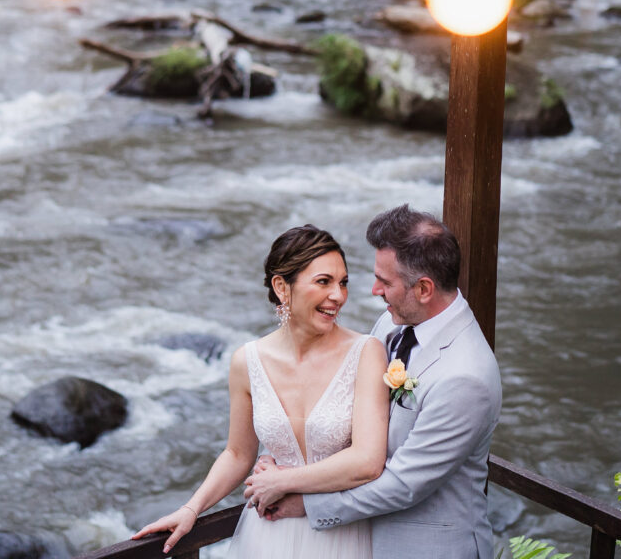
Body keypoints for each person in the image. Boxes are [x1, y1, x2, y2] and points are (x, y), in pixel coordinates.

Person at [244, 204, 502, 559]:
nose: (373, 290)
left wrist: (304, 501)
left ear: (424, 289)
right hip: (364, 538)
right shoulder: (392, 325)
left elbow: (405, 484)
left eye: (385, 281)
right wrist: (285, 464)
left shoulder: (465, 377)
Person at [133, 225, 389, 557]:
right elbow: (238, 454)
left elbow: (367, 462)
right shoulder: (247, 361)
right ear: (282, 287)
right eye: (324, 282)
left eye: (343, 283)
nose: (338, 296)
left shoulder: (366, 352)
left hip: (341, 532)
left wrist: (281, 482)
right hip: (268, 536)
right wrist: (191, 508)